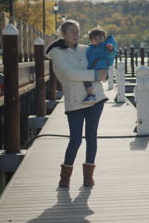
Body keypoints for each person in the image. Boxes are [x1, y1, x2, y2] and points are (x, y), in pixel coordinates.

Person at [45, 20, 108, 188]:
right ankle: (65, 177)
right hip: (75, 102)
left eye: (78, 31)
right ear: (63, 34)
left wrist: (105, 73)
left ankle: (88, 177)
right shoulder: (57, 53)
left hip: (96, 98)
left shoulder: (86, 49)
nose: (76, 34)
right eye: (72, 31)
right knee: (75, 139)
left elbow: (101, 61)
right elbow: (69, 74)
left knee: (92, 137)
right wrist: (95, 75)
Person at [83, 27, 117, 104]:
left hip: (102, 70)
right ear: (91, 41)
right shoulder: (91, 48)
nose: (98, 40)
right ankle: (98, 95)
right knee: (89, 79)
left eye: (100, 38)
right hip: (96, 70)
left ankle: (91, 95)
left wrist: (111, 49)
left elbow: (111, 55)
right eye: (95, 39)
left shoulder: (105, 47)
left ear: (104, 39)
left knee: (86, 79)